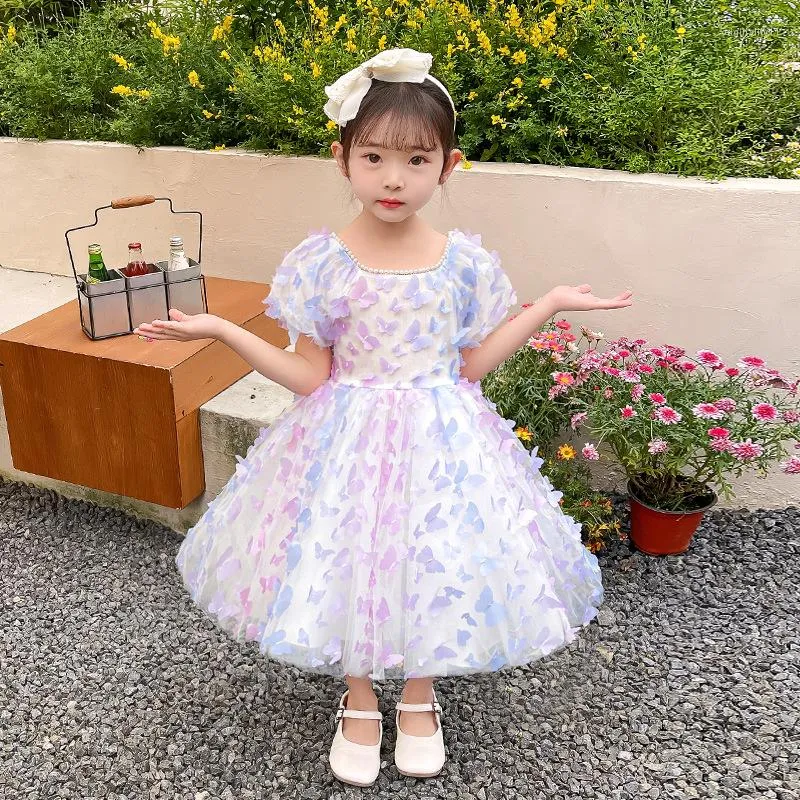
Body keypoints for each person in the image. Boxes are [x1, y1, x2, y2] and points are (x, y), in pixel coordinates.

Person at [133, 47, 634, 788]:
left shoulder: (462, 264)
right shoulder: (322, 263)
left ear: (447, 166)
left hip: (442, 438)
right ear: (343, 159)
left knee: (432, 553)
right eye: (373, 157)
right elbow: (310, 376)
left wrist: (550, 304)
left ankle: (420, 694)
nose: (393, 178)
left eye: (415, 160)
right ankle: (361, 696)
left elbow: (469, 366)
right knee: (351, 554)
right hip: (346, 438)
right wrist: (222, 331)